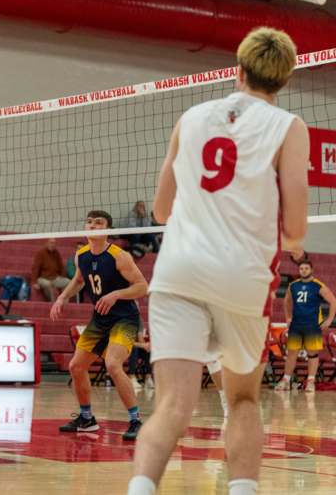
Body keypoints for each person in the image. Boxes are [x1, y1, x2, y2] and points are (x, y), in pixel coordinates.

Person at [128, 27, 310, 495]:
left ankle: (141, 488)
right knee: (244, 399)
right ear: (285, 78)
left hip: (178, 270)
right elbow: (295, 229)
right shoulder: (289, 128)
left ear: (238, 68)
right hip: (241, 277)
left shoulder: (191, 117)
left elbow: (162, 210)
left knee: (171, 404)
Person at [49, 210, 148, 441]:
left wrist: (115, 295)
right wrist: (62, 298)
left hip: (124, 318)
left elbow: (142, 287)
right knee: (76, 366)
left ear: (108, 230)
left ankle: (136, 420)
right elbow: (79, 281)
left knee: (113, 364)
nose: (92, 226)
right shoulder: (81, 255)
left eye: (99, 223)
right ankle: (87, 419)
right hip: (100, 319)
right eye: (90, 222)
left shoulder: (119, 256)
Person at [276, 260, 336, 393]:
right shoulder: (293, 285)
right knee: (292, 353)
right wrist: (288, 318)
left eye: (306, 268)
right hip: (296, 325)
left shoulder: (318, 285)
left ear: (311, 270)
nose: (303, 270)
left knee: (312, 354)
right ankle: (286, 380)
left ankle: (310, 382)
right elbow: (286, 301)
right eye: (301, 268)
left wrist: (329, 320)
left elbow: (333, 301)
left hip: (312, 325)